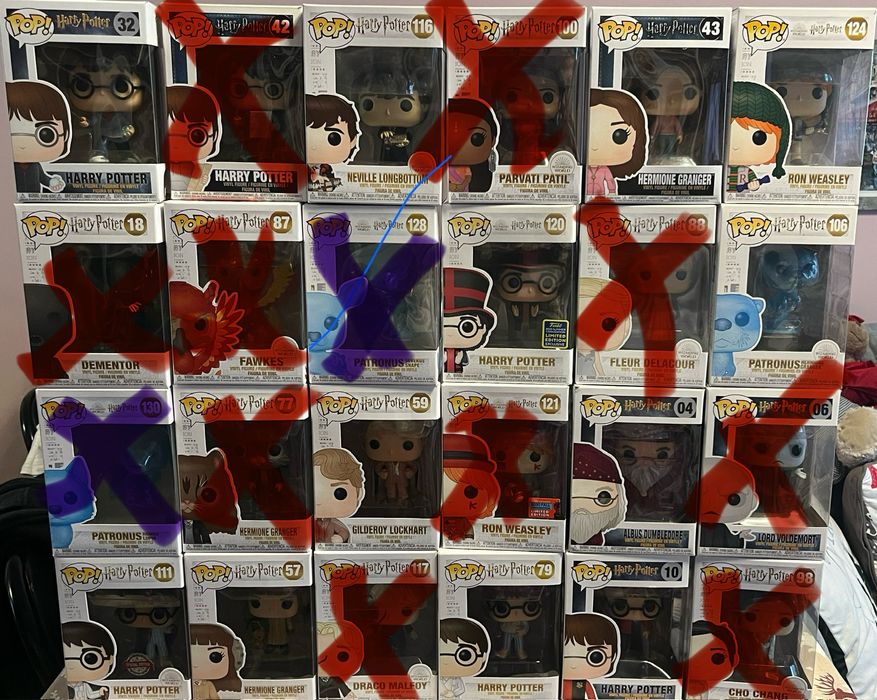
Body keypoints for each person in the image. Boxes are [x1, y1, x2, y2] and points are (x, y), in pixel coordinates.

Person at [7, 79, 69, 193]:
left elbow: (43, 179)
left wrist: (52, 183)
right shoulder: (7, 167)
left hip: (34, 200)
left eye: (46, 134)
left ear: (65, 135)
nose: (23, 144)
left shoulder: (35, 166)